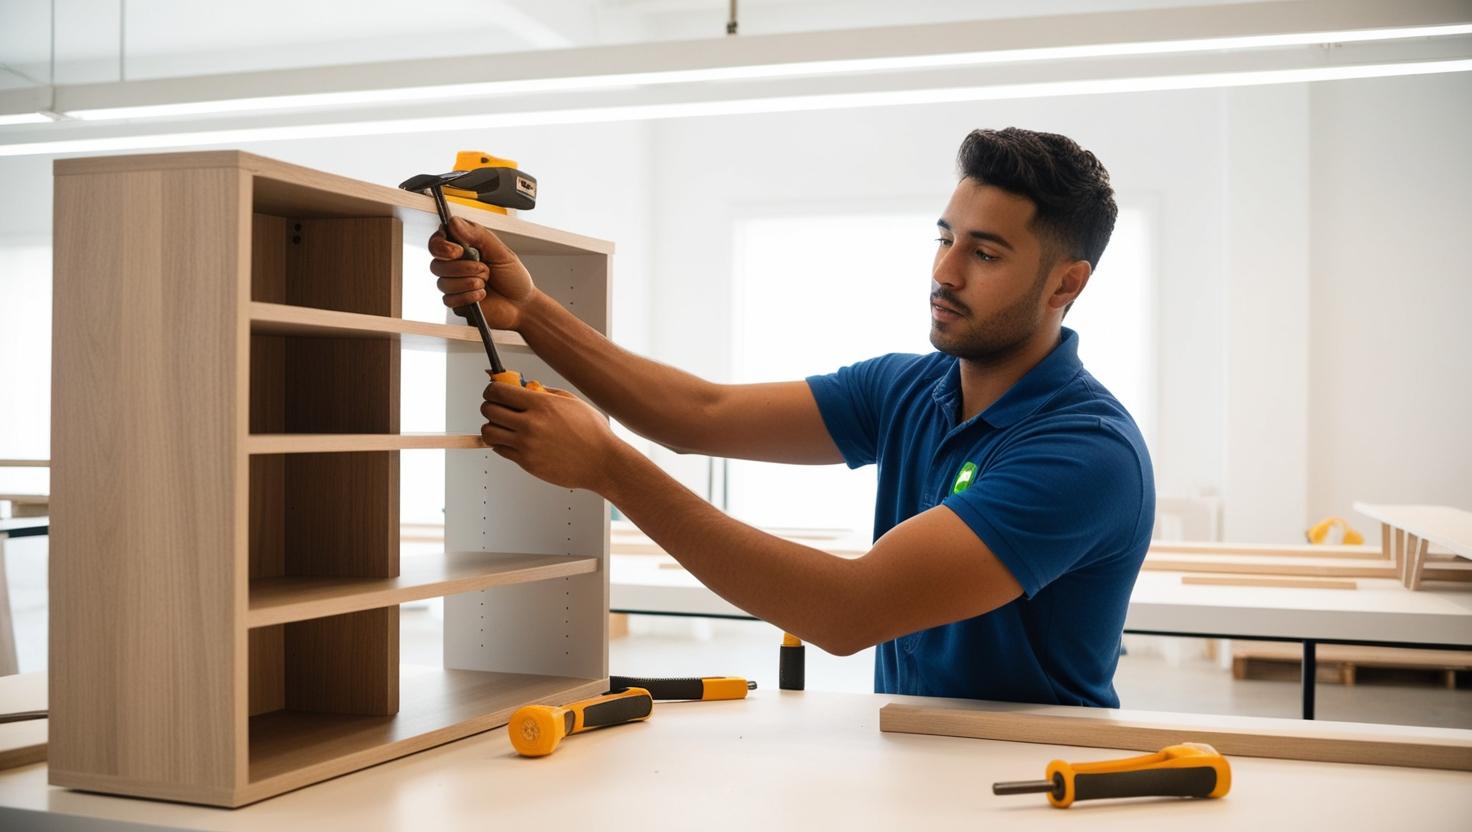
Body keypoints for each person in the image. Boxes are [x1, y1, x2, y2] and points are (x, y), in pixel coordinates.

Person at [427, 127, 1154, 707]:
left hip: (1039, 786)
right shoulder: (908, 389)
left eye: (985, 253)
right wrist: (531, 312)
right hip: (918, 761)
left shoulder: (1085, 452)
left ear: (1067, 283)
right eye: (945, 238)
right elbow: (698, 414)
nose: (945, 272)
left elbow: (848, 612)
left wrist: (609, 468)